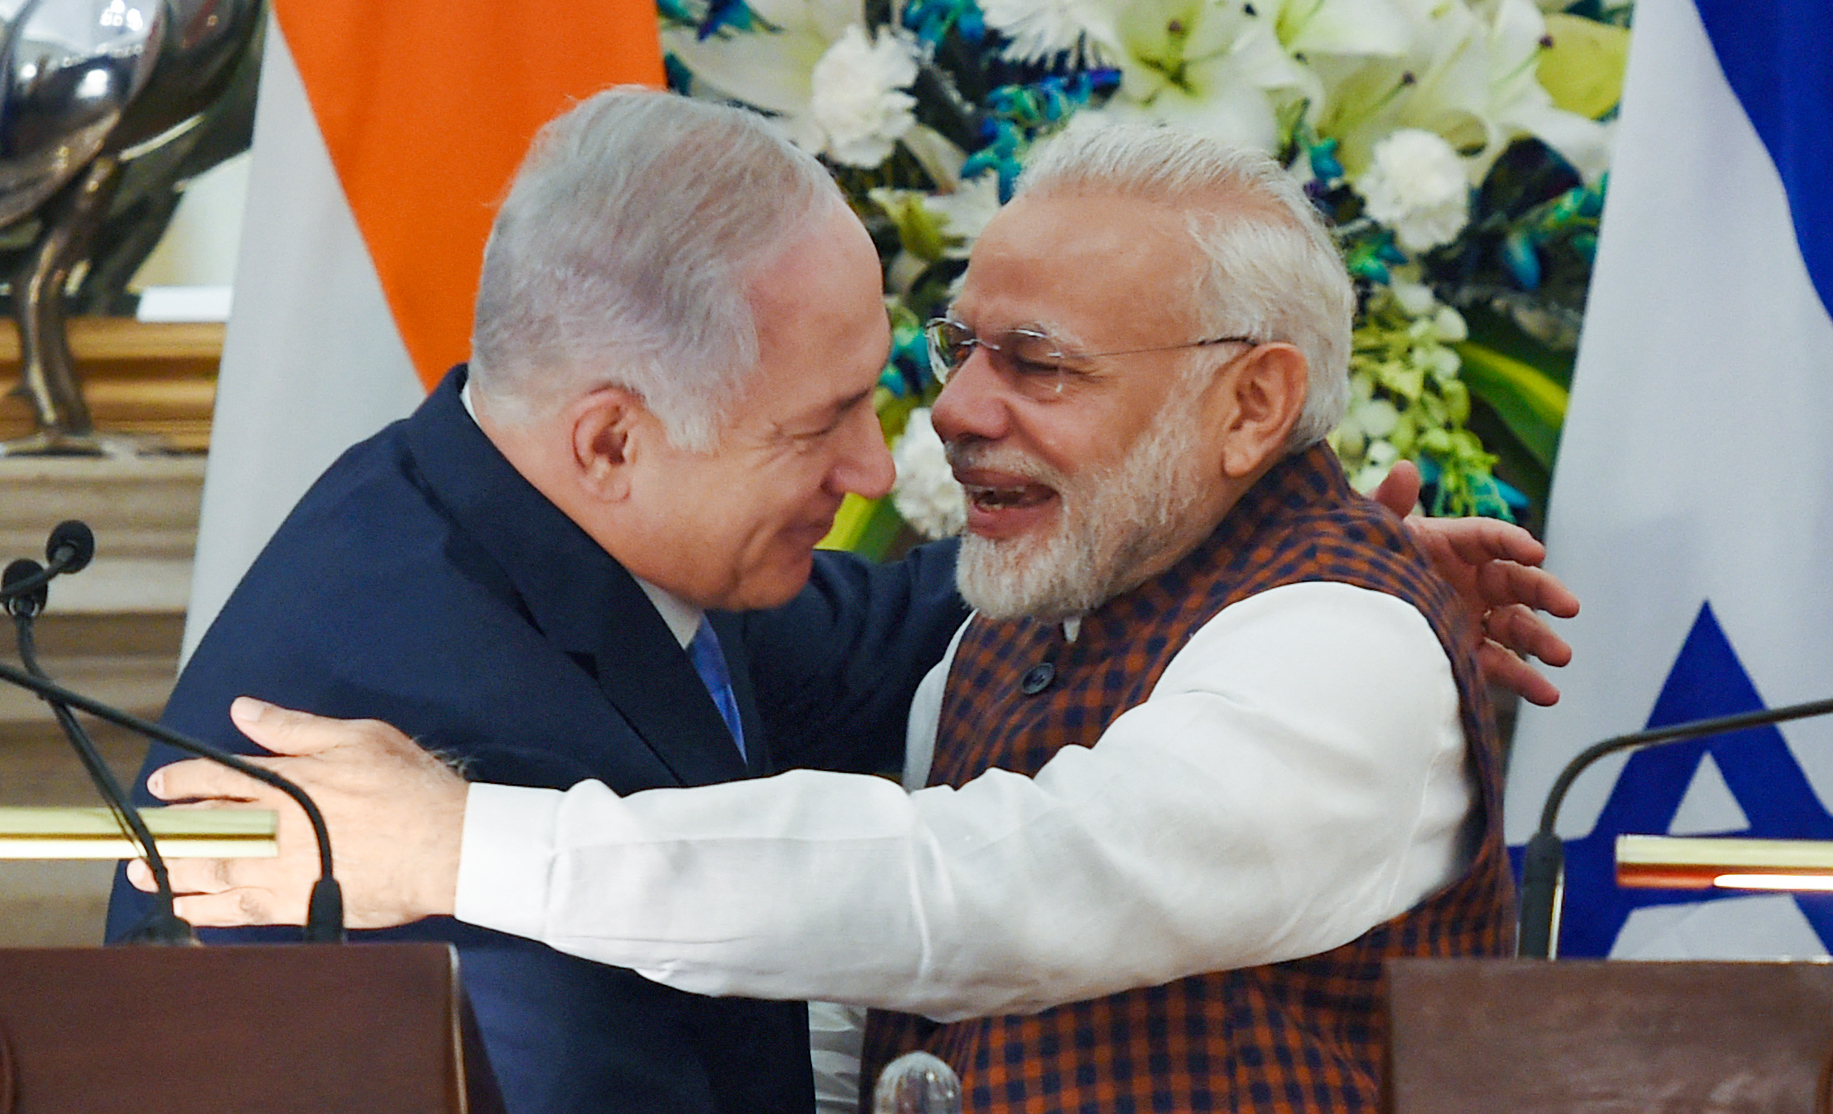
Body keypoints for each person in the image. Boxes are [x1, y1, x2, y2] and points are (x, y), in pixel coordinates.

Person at [135, 112, 1580, 1112]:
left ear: (1250, 405)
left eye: (1038, 364)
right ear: (611, 441)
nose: (936, 427)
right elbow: (859, 1001)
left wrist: (461, 841)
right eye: (961, 348)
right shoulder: (394, 676)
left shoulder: (1338, 650)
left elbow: (999, 889)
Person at [108, 89, 968, 1114]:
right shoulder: (426, 743)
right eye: (821, 425)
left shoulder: (520, 503)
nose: (873, 470)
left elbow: (878, 640)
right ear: (610, 443)